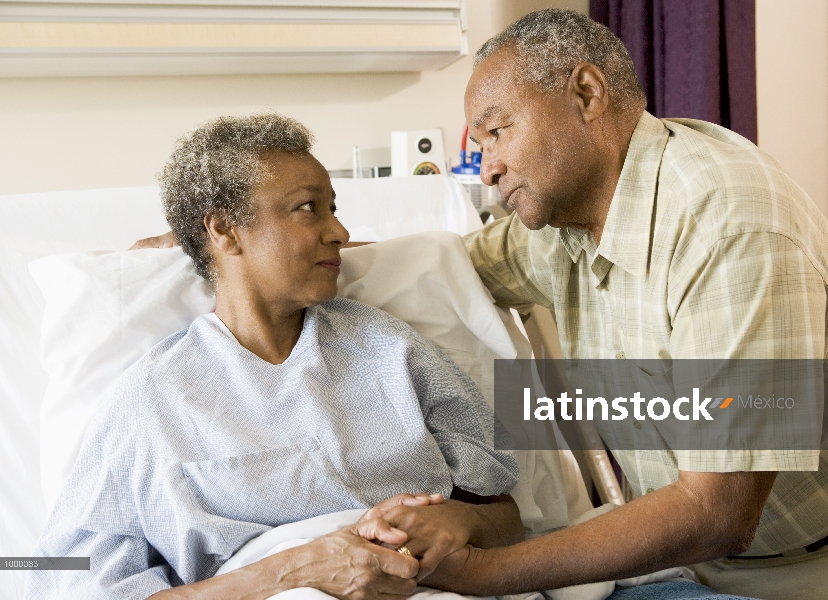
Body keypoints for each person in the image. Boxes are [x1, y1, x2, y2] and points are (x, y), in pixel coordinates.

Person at [405, 8, 828, 600]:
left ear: (586, 94)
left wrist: (481, 574)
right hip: (690, 563)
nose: (487, 170)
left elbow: (718, 512)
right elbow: (438, 267)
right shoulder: (562, 224)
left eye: (497, 132)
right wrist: (301, 257)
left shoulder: (728, 222)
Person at [27, 114, 523, 599]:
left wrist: (462, 518)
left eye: (334, 208)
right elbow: (72, 581)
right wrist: (290, 572)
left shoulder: (390, 347)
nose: (340, 232)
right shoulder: (152, 401)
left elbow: (505, 514)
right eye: (309, 208)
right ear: (224, 231)